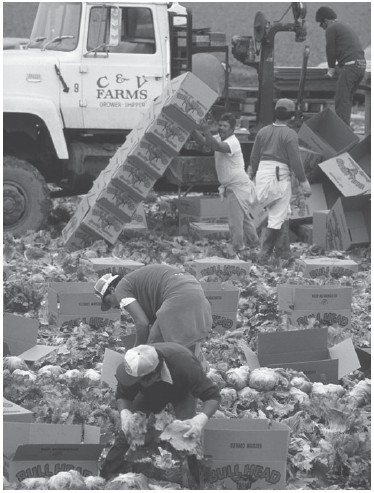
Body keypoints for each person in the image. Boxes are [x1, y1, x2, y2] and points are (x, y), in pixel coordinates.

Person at [99, 342, 221, 479]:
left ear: (155, 376)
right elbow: (124, 396)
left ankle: (195, 479)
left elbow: (213, 396)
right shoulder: (132, 369)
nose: (133, 383)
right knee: (132, 431)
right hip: (149, 394)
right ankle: (106, 477)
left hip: (182, 390)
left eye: (138, 381)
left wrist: (200, 420)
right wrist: (125, 413)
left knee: (187, 435)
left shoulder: (186, 366)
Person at [94, 264, 212, 353]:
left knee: (151, 350)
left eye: (109, 301)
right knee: (185, 347)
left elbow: (142, 323)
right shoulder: (136, 283)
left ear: (112, 290)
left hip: (178, 295)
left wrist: (136, 351)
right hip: (194, 289)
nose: (114, 306)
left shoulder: (121, 288)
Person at [249, 98, 312, 264]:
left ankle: (283, 253)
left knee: (282, 215)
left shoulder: (263, 131)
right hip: (278, 176)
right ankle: (264, 256)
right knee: (277, 218)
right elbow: (296, 161)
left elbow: (254, 157)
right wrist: (304, 182)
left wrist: (250, 174)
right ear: (291, 115)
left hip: (262, 175)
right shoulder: (290, 134)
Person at [192, 113, 260, 254]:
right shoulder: (219, 137)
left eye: (225, 126)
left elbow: (216, 146)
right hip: (236, 186)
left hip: (237, 187)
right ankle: (255, 246)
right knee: (244, 220)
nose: (221, 128)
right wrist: (192, 129)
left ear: (232, 129)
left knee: (235, 223)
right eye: (220, 125)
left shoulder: (232, 142)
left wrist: (205, 129)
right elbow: (205, 142)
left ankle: (238, 250)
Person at [316, 6, 366, 126]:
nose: (321, 27)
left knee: (341, 100)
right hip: (360, 66)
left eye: (321, 24)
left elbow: (330, 50)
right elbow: (348, 50)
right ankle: (346, 130)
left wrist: (331, 69)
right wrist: (340, 65)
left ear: (326, 20)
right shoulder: (344, 27)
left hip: (351, 67)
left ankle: (342, 133)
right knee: (346, 99)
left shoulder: (331, 28)